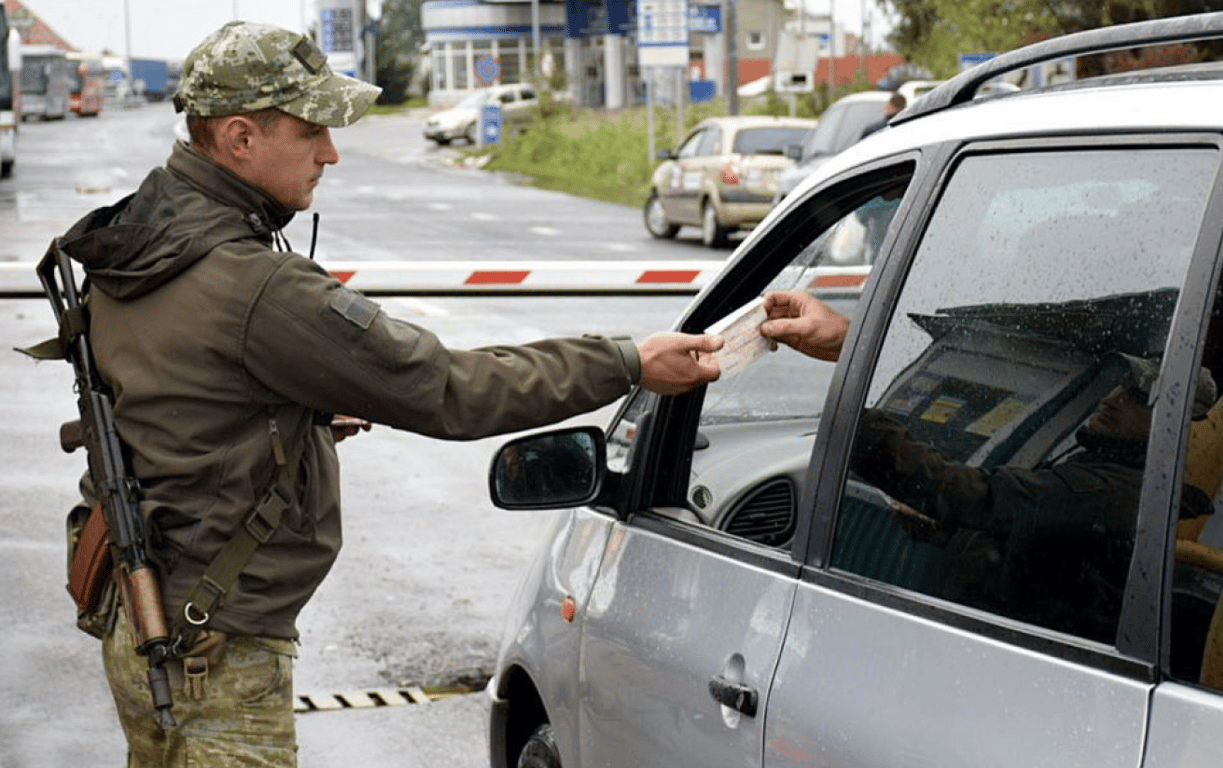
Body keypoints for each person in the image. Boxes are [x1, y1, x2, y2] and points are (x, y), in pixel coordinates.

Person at [52, 21, 722, 766]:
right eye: (312, 130)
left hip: (141, 618)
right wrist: (628, 360)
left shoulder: (136, 243)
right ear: (239, 138)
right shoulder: (254, 287)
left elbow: (178, 403)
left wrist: (291, 413)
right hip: (214, 651)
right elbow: (453, 391)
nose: (331, 152)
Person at [761, 290, 1217, 640]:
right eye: (1120, 385)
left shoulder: (1112, 489)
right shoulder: (1102, 467)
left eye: (1140, 397)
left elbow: (984, 496)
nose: (1113, 398)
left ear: (1175, 427)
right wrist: (943, 528)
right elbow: (1029, 536)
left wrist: (857, 412)